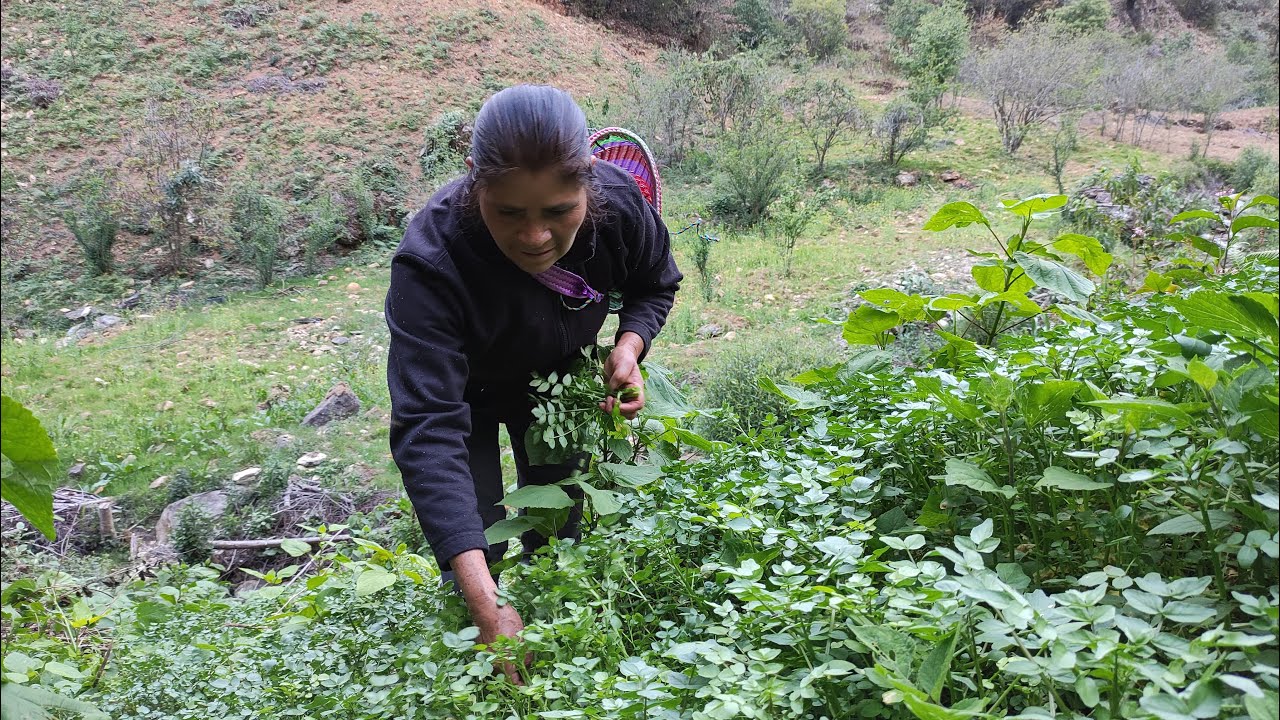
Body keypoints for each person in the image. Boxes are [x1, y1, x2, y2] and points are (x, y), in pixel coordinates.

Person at [385, 85, 682, 675]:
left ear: (588, 181)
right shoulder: (431, 261)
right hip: (463, 397)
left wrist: (630, 345)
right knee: (477, 546)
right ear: (475, 181)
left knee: (559, 529)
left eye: (558, 212)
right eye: (510, 212)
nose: (535, 237)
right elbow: (428, 427)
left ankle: (559, 641)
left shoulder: (618, 208)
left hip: (557, 384)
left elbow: (655, 283)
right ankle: (488, 633)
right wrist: (484, 599)